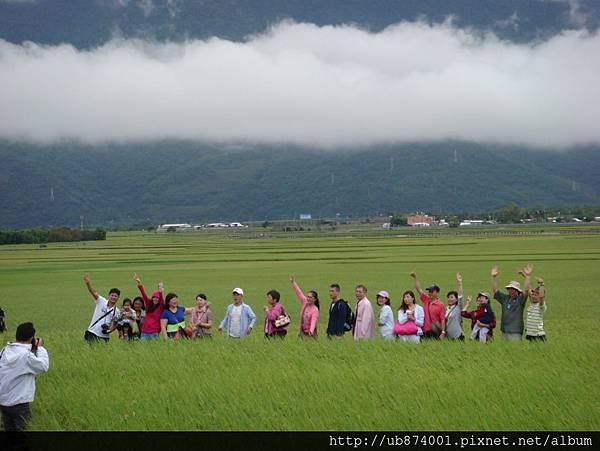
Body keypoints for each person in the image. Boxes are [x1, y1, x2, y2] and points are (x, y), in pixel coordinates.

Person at [0, 322, 49, 431]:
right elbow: (43, 366)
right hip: (19, 404)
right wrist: (40, 348)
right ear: (31, 338)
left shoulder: (4, 351)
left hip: (3, 402)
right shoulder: (25, 355)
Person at [491, 264, 531, 341]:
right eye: (509, 289)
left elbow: (526, 290)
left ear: (517, 291)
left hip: (516, 332)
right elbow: (495, 291)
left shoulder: (520, 300)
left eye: (513, 289)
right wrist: (493, 277)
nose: (511, 290)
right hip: (504, 331)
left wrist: (527, 276)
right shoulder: (505, 298)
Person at [83, 275, 120, 342]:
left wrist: (109, 331)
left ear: (118, 298)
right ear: (108, 295)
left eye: (115, 296)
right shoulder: (101, 301)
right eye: (112, 295)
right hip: (92, 331)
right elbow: (94, 293)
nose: (113, 297)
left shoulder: (117, 311)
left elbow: (115, 324)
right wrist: (88, 284)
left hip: (104, 336)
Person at [410, 272, 446, 339]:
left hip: (434, 331)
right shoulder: (426, 299)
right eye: (429, 291)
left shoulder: (440, 305)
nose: (429, 293)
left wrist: (443, 332)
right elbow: (419, 289)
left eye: (432, 291)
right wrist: (415, 278)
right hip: (424, 330)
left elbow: (443, 319)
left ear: (437, 293)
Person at [134, 274, 164, 340]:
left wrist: (161, 292)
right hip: (144, 331)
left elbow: (162, 300)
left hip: (154, 332)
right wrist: (139, 283)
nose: (155, 299)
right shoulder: (149, 304)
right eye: (154, 297)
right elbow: (144, 294)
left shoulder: (160, 307)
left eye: (157, 298)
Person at [525, 276, 547, 341]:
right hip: (529, 334)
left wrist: (541, 284)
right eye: (533, 294)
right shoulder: (531, 304)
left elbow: (542, 297)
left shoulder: (541, 306)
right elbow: (529, 290)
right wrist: (526, 277)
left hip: (538, 334)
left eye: (536, 294)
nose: (533, 296)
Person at [445, 273, 465, 340]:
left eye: (451, 297)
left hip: (458, 336)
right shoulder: (446, 309)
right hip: (448, 337)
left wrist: (460, 283)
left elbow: (460, 297)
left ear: (456, 299)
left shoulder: (458, 307)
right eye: (448, 297)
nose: (449, 299)